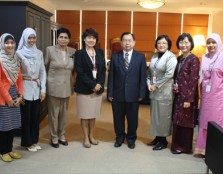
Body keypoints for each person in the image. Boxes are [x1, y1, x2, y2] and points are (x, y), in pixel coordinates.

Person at [107, 32, 147, 149]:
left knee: (133, 119)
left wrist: (141, 93)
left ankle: (131, 139)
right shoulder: (115, 56)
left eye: (130, 40)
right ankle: (119, 138)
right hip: (117, 94)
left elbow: (142, 77)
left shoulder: (140, 57)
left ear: (134, 43)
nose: (127, 43)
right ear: (121, 43)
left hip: (134, 95)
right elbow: (111, 76)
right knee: (118, 118)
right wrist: (110, 93)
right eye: (125, 40)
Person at [16, 28, 46, 152]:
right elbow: (16, 75)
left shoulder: (39, 53)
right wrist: (19, 92)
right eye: (29, 37)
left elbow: (42, 71)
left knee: (35, 117)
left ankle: (34, 141)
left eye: (33, 37)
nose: (32, 40)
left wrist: (43, 89)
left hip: (37, 88)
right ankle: (27, 143)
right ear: (24, 38)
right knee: (26, 117)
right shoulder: (18, 53)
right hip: (25, 88)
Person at [74, 28, 106, 148]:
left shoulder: (100, 52)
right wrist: (92, 85)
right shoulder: (79, 54)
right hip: (84, 89)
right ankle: (85, 137)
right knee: (85, 115)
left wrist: (99, 84)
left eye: (93, 38)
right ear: (84, 39)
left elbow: (103, 71)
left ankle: (92, 136)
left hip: (97, 89)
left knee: (93, 115)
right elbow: (80, 72)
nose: (91, 40)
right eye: (89, 38)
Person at [45, 27, 76, 148]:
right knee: (53, 114)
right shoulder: (50, 50)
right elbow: (45, 67)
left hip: (67, 87)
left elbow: (74, 71)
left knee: (64, 114)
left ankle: (62, 135)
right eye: (61, 37)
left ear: (69, 39)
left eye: (66, 37)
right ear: (57, 38)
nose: (63, 39)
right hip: (53, 87)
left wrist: (73, 82)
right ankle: (54, 137)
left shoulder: (73, 52)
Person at [194, 33, 223, 158]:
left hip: (219, 98)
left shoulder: (222, 57)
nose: (211, 45)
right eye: (209, 42)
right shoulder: (204, 57)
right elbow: (200, 78)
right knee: (204, 122)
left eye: (214, 42)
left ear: (219, 43)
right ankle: (202, 149)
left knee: (216, 123)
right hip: (206, 97)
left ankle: (215, 150)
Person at [147, 34, 177, 150]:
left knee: (164, 116)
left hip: (165, 91)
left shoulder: (171, 57)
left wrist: (157, 85)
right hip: (154, 90)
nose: (161, 45)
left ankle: (163, 141)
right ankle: (157, 137)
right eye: (159, 43)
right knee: (155, 115)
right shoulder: (154, 55)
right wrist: (149, 84)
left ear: (168, 45)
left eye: (164, 43)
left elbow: (169, 75)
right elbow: (149, 73)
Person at [171, 33, 200, 154]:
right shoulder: (180, 58)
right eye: (181, 42)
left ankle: (184, 147)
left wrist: (189, 99)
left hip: (188, 95)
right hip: (179, 94)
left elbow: (193, 80)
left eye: (186, 42)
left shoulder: (194, 59)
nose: (183, 45)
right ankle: (176, 145)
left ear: (191, 44)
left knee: (186, 122)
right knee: (177, 119)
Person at [0, 33, 23, 162]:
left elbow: (20, 78)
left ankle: (10, 150)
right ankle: (3, 151)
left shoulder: (15, 58)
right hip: (4, 96)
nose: (9, 45)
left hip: (15, 95)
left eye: (12, 43)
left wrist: (20, 95)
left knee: (12, 124)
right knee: (4, 126)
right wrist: (8, 98)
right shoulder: (0, 59)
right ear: (2, 44)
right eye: (7, 43)